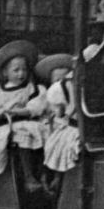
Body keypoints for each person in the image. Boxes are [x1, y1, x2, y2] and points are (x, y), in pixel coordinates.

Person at [0, 40, 47, 192]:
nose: (21, 73)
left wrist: (18, 112)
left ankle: (43, 175)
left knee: (45, 132)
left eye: (24, 70)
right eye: (16, 70)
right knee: (22, 134)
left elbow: (35, 107)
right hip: (4, 126)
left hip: (26, 121)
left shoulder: (32, 88)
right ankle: (29, 178)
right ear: (5, 73)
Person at [37, 52, 80, 182]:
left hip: (63, 123)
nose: (60, 83)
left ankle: (59, 177)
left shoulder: (70, 92)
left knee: (62, 140)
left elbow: (65, 112)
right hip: (49, 122)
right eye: (57, 80)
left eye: (64, 79)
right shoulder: (48, 94)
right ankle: (46, 175)